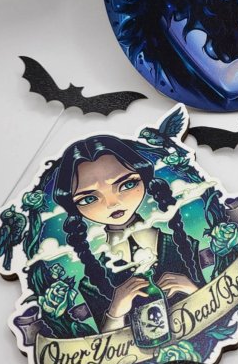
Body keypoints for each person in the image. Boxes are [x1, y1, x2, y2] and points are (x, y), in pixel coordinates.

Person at [36, 135, 206, 332]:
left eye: (126, 184)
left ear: (144, 179)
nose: (112, 203)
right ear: (74, 208)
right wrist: (115, 312)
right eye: (89, 199)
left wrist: (191, 289)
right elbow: (104, 344)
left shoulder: (182, 246)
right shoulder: (91, 281)